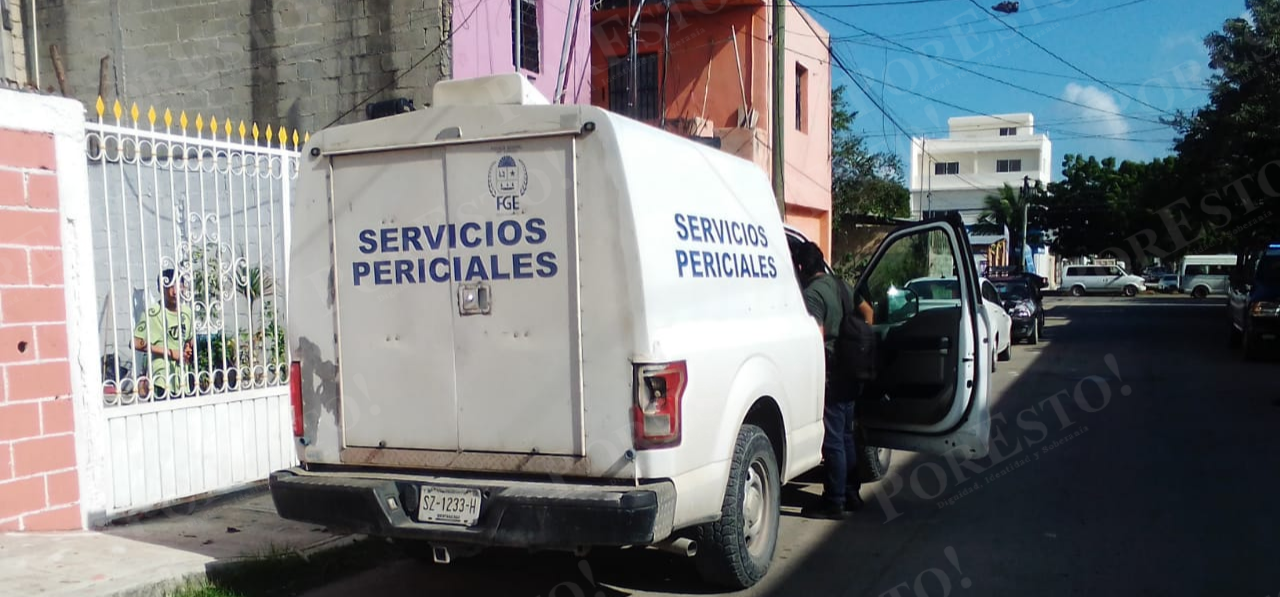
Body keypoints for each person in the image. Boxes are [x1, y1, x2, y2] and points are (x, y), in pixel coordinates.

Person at [790, 240, 873, 520]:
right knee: (847, 436)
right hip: (853, 370)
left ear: (801, 267)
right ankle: (851, 494)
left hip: (832, 375)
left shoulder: (813, 294)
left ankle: (834, 501)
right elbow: (868, 314)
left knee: (834, 440)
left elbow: (817, 336)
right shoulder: (841, 285)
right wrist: (860, 347)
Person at [133, 269, 194, 399]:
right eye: (169, 286)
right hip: (160, 381)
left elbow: (189, 339)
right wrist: (170, 352)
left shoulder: (187, 313)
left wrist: (188, 350)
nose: (175, 291)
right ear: (161, 288)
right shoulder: (153, 313)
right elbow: (135, 343)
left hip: (182, 380)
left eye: (178, 285)